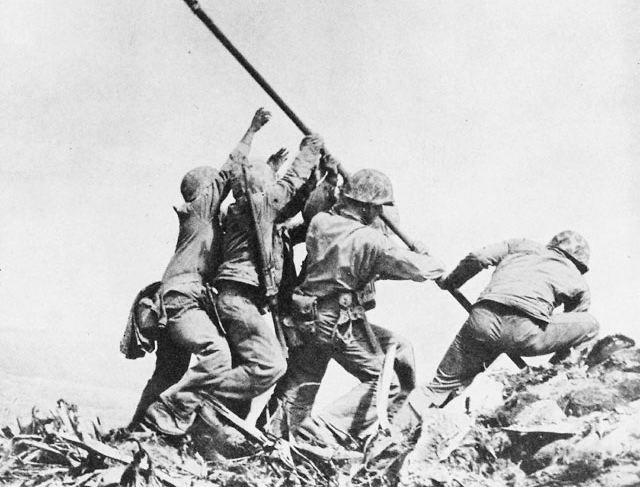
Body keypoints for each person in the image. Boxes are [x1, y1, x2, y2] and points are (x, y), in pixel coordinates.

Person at [273, 169, 445, 447]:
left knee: (303, 379)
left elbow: (362, 261)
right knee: (387, 382)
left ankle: (274, 434)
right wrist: (424, 255)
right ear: (366, 206)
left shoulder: (321, 222)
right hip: (336, 320)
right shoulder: (372, 240)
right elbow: (422, 269)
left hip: (307, 315)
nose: (379, 213)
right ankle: (322, 432)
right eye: (377, 208)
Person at [136, 108, 272, 436]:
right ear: (202, 190)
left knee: (168, 371)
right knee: (217, 354)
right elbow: (228, 173)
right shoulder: (198, 211)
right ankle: (167, 415)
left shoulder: (209, 222)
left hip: (180, 299)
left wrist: (271, 170)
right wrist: (252, 130)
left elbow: (250, 200)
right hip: (182, 298)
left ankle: (138, 429)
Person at [393, 230, 600, 433]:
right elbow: (572, 325)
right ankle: (554, 376)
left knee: (439, 386)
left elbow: (478, 257)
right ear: (579, 263)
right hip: (524, 333)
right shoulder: (578, 281)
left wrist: (452, 282)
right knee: (591, 326)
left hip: (481, 322)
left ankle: (392, 433)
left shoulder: (521, 245)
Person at [192, 132, 324, 435]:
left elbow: (296, 202)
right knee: (270, 365)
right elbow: (288, 188)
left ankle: (211, 432)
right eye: (268, 181)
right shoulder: (252, 206)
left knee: (248, 371)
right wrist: (308, 152)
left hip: (242, 301)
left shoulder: (260, 217)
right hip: (237, 300)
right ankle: (194, 398)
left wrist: (319, 173)